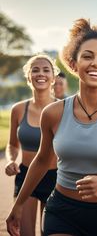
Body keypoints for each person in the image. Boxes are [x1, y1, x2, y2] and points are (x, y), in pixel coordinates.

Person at [6, 18, 97, 236]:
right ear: (73, 64)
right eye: (87, 56)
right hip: (61, 211)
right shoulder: (53, 113)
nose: (96, 63)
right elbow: (41, 160)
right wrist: (18, 205)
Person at [5, 54, 58, 236]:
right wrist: (11, 160)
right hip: (26, 176)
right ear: (28, 77)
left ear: (53, 77)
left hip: (56, 178)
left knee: (49, 232)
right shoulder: (18, 109)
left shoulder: (64, 109)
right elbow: (12, 144)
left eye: (46, 70)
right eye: (35, 70)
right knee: (25, 233)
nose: (40, 74)